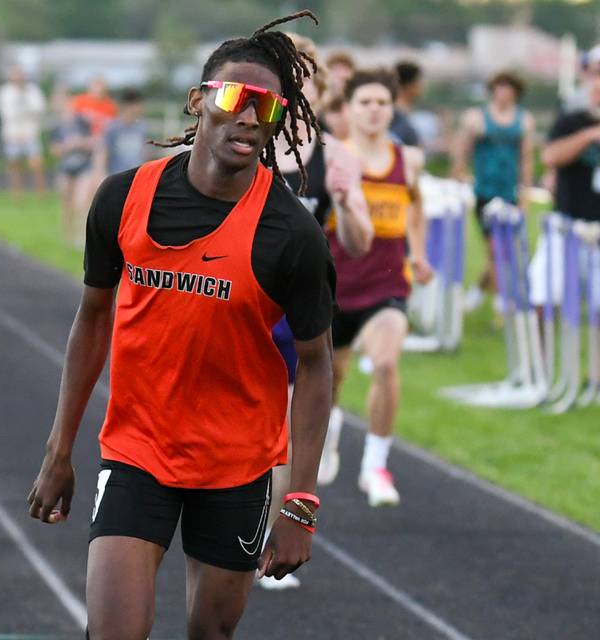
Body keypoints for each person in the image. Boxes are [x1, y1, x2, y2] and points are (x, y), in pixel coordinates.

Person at [27, 11, 335, 638]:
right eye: (233, 98)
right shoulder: (122, 197)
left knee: (209, 632)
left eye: (267, 108)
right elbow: (91, 322)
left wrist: (299, 500)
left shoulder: (291, 235)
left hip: (238, 465)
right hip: (137, 449)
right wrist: (60, 451)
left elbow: (316, 364)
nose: (249, 118)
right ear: (200, 101)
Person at [259, 32, 369, 592]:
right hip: (241, 304)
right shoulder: (246, 138)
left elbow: (360, 238)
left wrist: (348, 202)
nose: (295, 79)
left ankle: (267, 544)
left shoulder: (336, 156)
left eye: (304, 70)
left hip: (298, 310)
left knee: (279, 438)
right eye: (285, 69)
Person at [318, 68, 433, 507]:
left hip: (387, 286)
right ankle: (326, 436)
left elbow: (416, 206)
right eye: (364, 102)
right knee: (331, 378)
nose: (373, 110)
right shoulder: (331, 157)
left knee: (385, 363)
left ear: (393, 107)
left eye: (382, 102)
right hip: (334, 286)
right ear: (347, 109)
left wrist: (418, 253)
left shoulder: (410, 160)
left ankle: (375, 465)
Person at [452, 70, 534, 310]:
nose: (504, 92)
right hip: (484, 191)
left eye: (509, 87)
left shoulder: (524, 120)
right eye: (500, 87)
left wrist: (525, 193)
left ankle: (478, 290)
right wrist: (460, 173)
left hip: (509, 191)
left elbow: (526, 158)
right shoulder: (477, 118)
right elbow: (462, 148)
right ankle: (501, 297)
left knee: (505, 247)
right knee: (496, 247)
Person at [528, 47, 600, 308]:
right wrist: (589, 136)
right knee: (545, 293)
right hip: (568, 217)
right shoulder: (571, 116)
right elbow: (550, 156)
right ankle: (542, 348)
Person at [49, 89, 95, 245]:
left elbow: (93, 142)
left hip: (84, 166)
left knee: (82, 202)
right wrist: (67, 147)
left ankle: (81, 237)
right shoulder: (55, 126)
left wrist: (80, 142)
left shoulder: (82, 121)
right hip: (65, 169)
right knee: (66, 204)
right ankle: (67, 238)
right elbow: (54, 150)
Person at [0, 65, 47, 196]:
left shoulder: (32, 90)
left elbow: (39, 109)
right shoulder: (4, 92)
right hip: (12, 133)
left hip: (30, 132)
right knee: (14, 164)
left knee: (36, 163)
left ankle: (40, 191)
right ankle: (16, 192)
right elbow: (7, 113)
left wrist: (26, 109)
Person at [98, 88, 148, 175]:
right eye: (138, 104)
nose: (141, 108)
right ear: (128, 105)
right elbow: (103, 153)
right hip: (117, 176)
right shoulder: (112, 127)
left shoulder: (142, 127)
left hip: (137, 176)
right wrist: (102, 175)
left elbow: (145, 153)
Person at [321, 51, 355, 139]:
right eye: (335, 69)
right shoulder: (316, 102)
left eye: (345, 69)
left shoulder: (360, 105)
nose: (341, 74)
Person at [389, 60, 423, 146]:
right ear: (411, 85)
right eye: (419, 82)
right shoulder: (394, 116)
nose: (422, 86)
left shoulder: (403, 114)